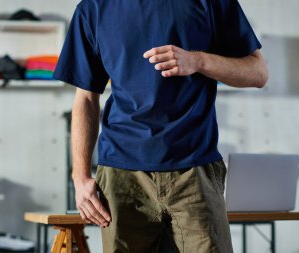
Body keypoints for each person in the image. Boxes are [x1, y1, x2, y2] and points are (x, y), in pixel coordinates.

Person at [53, 0, 268, 252]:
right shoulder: (93, 8)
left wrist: (198, 61)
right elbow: (86, 98)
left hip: (195, 169)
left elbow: (258, 72)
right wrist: (80, 178)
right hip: (121, 175)